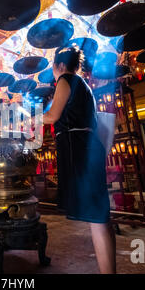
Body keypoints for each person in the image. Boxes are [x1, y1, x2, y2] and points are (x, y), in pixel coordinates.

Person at [42, 46, 116, 274]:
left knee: (98, 217)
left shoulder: (65, 80)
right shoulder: (82, 85)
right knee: (100, 217)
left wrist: (26, 115)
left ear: (59, 66)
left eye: (53, 67)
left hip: (79, 150)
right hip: (86, 147)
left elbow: (52, 116)